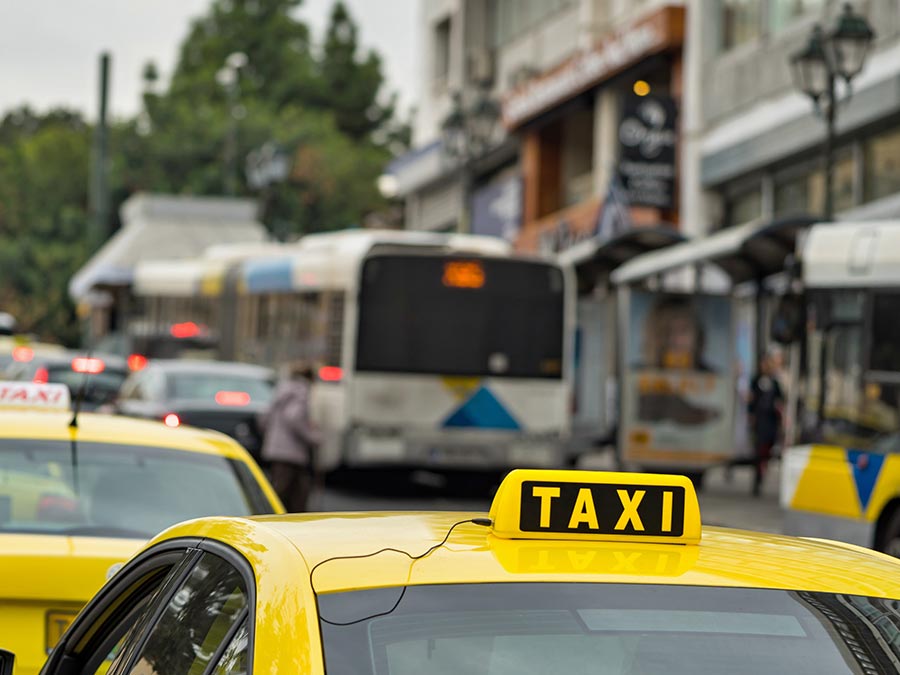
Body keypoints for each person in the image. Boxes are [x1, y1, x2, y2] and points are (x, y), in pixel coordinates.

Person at [260, 360, 321, 512]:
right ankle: (284, 519)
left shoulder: (281, 390)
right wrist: (313, 437)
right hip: (292, 451)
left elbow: (264, 418)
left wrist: (270, 437)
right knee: (294, 491)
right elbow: (294, 417)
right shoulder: (301, 391)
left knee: (280, 488)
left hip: (276, 448)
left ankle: (272, 514)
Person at [747, 350, 784, 497]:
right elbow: (751, 401)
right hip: (759, 420)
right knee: (758, 450)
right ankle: (757, 478)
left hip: (771, 421)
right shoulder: (755, 381)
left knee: (767, 449)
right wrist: (751, 415)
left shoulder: (775, 383)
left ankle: (762, 473)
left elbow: (780, 400)